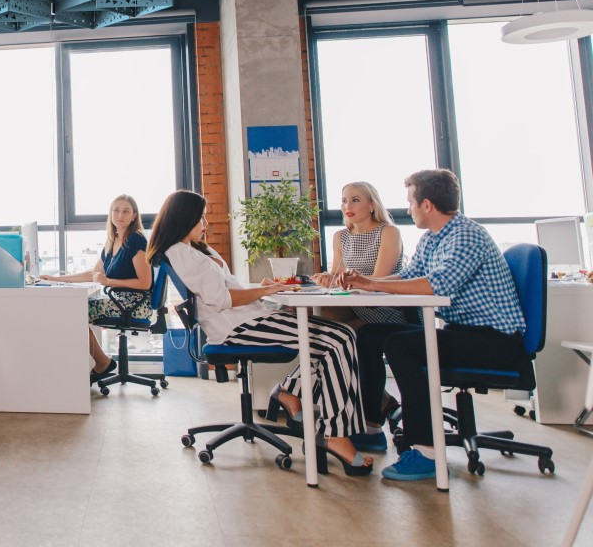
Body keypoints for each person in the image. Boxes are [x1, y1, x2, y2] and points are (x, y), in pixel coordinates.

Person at [148, 190, 373, 475]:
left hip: (248, 319)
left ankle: (290, 393)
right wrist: (268, 290)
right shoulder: (180, 253)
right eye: (200, 218)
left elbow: (227, 289)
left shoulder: (197, 250)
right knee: (339, 339)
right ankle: (334, 435)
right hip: (237, 329)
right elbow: (222, 300)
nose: (205, 223)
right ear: (184, 218)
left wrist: (262, 289)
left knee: (337, 337)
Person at [343, 169, 526, 481]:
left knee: (401, 345)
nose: (408, 209)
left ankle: (427, 451)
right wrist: (366, 283)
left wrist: (372, 285)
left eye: (410, 202)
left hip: (496, 342)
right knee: (369, 335)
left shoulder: (466, 235)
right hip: (461, 333)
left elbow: (435, 286)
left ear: (426, 204)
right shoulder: (432, 238)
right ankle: (372, 427)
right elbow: (408, 276)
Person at [41, 194, 152, 383]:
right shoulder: (113, 241)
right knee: (71, 308)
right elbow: (93, 273)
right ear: (111, 213)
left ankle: (102, 363)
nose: (120, 215)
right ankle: (102, 362)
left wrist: (108, 281)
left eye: (126, 211)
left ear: (134, 216)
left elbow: (145, 283)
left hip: (134, 304)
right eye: (116, 210)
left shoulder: (136, 240)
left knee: (71, 310)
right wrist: (55, 278)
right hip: (118, 300)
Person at [315, 181, 412, 328]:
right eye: (344, 201)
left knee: (343, 330)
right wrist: (327, 278)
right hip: (354, 302)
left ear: (372, 205)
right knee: (321, 316)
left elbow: (379, 280)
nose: (348, 206)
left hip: (384, 304)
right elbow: (336, 276)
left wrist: (347, 281)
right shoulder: (340, 236)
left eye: (355, 200)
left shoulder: (389, 232)